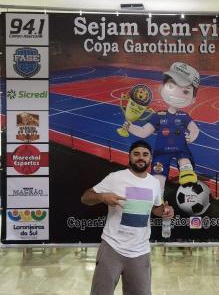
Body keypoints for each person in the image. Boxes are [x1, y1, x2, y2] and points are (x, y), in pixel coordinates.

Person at [81, 140, 174, 295]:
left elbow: (156, 208)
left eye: (145, 155)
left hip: (140, 251)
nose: (141, 158)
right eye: (136, 154)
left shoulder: (154, 183)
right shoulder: (115, 177)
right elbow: (85, 197)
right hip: (112, 247)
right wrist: (102, 197)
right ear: (129, 157)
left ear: (150, 159)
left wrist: (165, 211)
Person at [124, 62, 200, 194]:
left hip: (180, 148)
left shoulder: (183, 116)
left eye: (185, 91)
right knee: (158, 182)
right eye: (171, 86)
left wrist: (191, 137)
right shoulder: (158, 115)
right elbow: (144, 132)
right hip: (161, 153)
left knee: (184, 159)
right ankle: (158, 200)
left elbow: (194, 129)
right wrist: (131, 127)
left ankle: (186, 172)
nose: (177, 94)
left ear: (193, 99)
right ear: (162, 88)